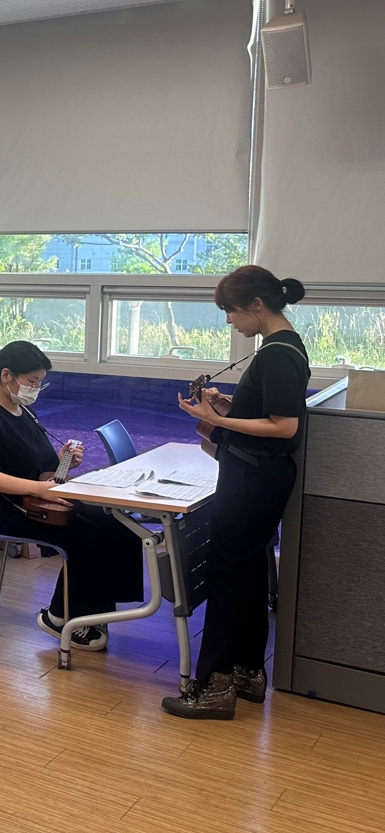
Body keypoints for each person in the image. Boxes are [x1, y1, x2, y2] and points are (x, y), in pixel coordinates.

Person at [165, 266, 310, 720]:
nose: (229, 320)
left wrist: (217, 420)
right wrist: (230, 407)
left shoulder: (278, 353)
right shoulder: (282, 347)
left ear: (256, 305)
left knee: (226, 574)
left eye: (231, 310)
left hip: (252, 478)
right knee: (245, 572)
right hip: (257, 475)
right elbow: (268, 413)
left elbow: (284, 426)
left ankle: (214, 686)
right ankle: (247, 671)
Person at [0, 341, 143, 651]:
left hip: (40, 499)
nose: (36, 387)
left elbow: (42, 469)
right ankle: (59, 617)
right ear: (6, 376)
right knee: (88, 539)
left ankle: (93, 610)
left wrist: (65, 463)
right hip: (8, 509)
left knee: (115, 522)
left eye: (40, 382)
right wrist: (38, 488)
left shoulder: (25, 413)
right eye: (32, 380)